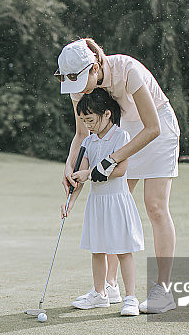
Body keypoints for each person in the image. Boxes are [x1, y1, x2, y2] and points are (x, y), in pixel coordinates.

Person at [56, 38, 180, 314]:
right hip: (121, 135)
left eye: (81, 81)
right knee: (116, 205)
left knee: (156, 207)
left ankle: (163, 290)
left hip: (156, 129)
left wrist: (111, 160)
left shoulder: (127, 69)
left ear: (95, 66)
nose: (79, 90)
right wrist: (69, 166)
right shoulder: (80, 86)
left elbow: (152, 128)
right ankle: (107, 288)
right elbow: (82, 134)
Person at [61, 89, 143, 316]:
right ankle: (100, 294)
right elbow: (81, 177)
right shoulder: (88, 141)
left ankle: (130, 298)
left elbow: (121, 169)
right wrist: (70, 202)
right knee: (97, 250)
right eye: (84, 121)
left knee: (123, 250)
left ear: (107, 114)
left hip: (117, 200)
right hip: (96, 203)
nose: (88, 125)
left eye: (91, 119)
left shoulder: (120, 136)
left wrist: (88, 173)